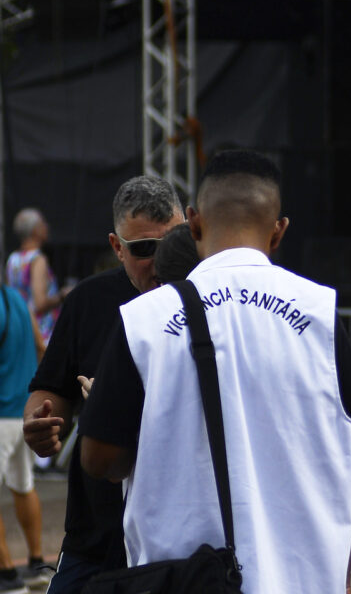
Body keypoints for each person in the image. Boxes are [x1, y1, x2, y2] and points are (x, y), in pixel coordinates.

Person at [77, 151, 351, 593]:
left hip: (183, 580)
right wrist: (343, 575)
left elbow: (99, 459)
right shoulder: (319, 312)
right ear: (279, 231)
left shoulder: (144, 319)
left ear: (193, 223)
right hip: (303, 581)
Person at [22, 175, 185, 593]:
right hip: (96, 535)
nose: (159, 259)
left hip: (182, 537)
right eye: (144, 249)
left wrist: (115, 406)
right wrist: (41, 421)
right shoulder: (89, 301)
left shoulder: (210, 300)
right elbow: (51, 387)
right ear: (117, 247)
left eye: (171, 242)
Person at [0, 281, 47, 593]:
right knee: (23, 485)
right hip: (23, 410)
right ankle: (36, 563)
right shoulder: (16, 298)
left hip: (1, 411)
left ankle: (6, 575)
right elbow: (41, 346)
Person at [6, 208, 67, 346]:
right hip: (41, 334)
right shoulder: (38, 260)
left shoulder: (13, 259)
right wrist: (62, 296)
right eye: (42, 224)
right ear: (34, 231)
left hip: (20, 330)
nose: (46, 227)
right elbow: (39, 303)